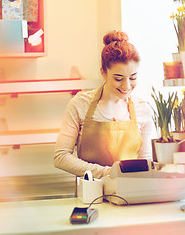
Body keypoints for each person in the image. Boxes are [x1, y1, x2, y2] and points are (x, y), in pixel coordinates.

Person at [54, 30, 156, 179]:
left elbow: (145, 162)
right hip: (91, 195)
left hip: (131, 192)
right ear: (103, 72)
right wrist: (107, 173)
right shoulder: (79, 104)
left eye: (133, 77)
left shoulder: (143, 108)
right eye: (118, 78)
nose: (127, 86)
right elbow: (61, 157)